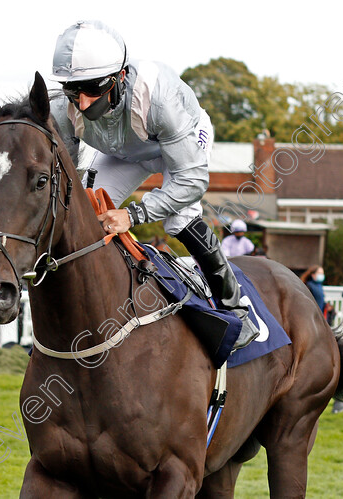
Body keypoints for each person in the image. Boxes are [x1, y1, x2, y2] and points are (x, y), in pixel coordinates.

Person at [49, 20, 258, 349]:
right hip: (124, 152)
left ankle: (237, 308)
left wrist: (132, 216)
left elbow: (191, 181)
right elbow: (68, 183)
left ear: (119, 76)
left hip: (179, 145)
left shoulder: (159, 99)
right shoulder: (64, 108)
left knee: (179, 219)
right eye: (74, 90)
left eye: (92, 88)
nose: (83, 103)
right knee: (87, 215)